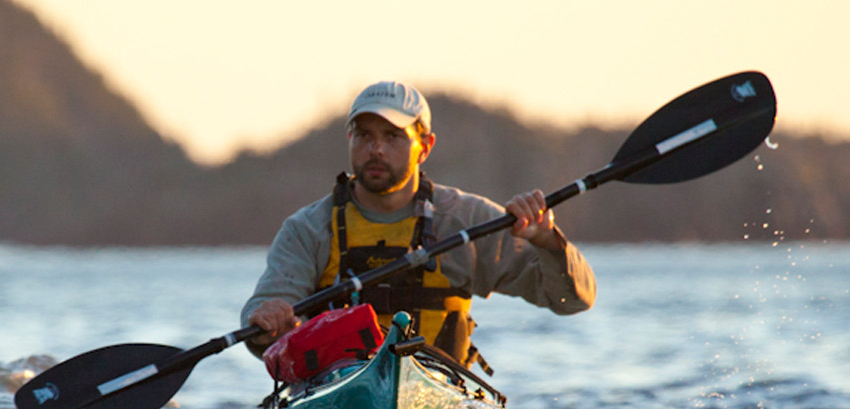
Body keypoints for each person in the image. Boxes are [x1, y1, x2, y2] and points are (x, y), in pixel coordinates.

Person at [241, 80, 597, 371]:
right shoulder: (308, 228)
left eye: (392, 136)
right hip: (337, 386)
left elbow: (572, 301)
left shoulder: (468, 220)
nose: (375, 149)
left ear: (424, 147)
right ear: (350, 140)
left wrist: (547, 241)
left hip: (439, 392)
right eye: (363, 135)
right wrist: (267, 323)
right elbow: (264, 320)